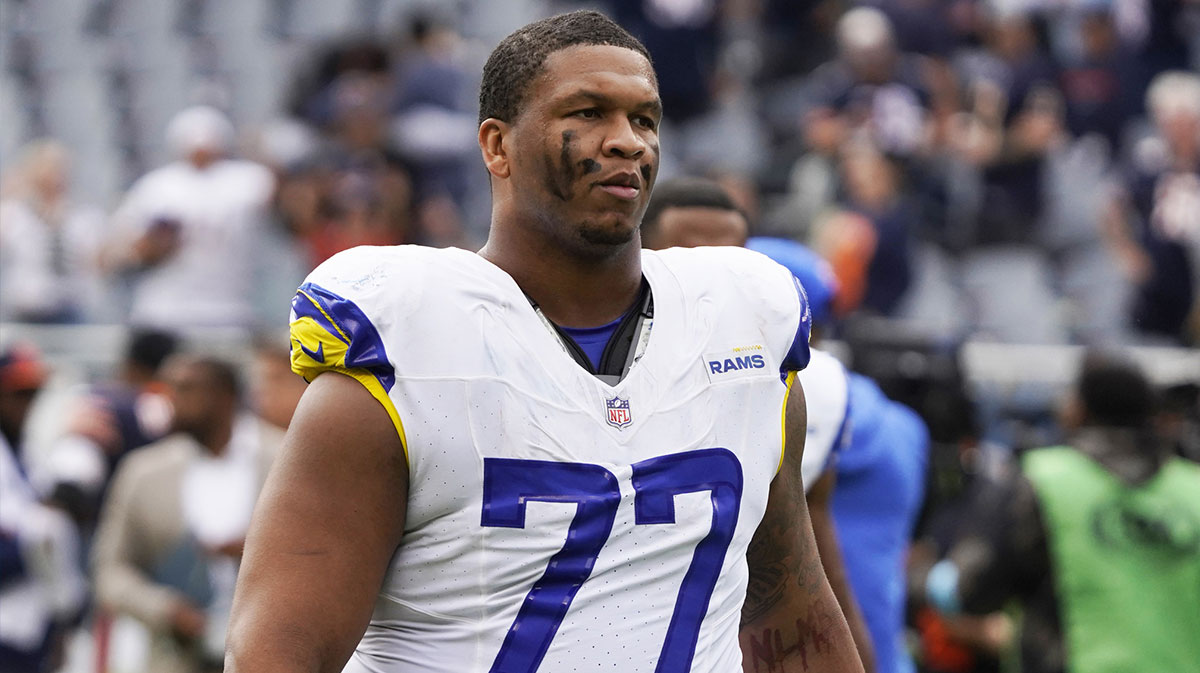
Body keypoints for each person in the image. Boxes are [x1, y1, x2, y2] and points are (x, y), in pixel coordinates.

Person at [226, 10, 863, 673]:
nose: (626, 141)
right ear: (497, 146)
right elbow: (274, 653)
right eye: (586, 113)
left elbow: (788, 606)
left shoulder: (741, 337)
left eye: (643, 119)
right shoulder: (403, 356)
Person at [640, 177, 876, 672]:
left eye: (730, 256)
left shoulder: (787, 387)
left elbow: (810, 575)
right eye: (688, 253)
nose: (713, 273)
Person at [921, 351, 1200, 673]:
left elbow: (973, 591)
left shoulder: (1044, 480)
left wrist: (933, 579)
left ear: (1079, 410)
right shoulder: (1193, 488)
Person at [92, 355, 282, 673]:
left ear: (226, 397)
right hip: (175, 655)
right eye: (169, 388)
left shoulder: (286, 456)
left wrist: (255, 549)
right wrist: (165, 609)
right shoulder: (143, 472)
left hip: (270, 651)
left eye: (186, 389)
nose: (171, 400)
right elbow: (109, 571)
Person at [104, 106, 275, 329]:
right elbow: (121, 249)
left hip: (228, 305)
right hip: (168, 306)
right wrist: (154, 245)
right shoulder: (158, 186)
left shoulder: (249, 180)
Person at [0, 345, 88, 673]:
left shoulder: (30, 455)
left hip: (32, 634)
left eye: (32, 394)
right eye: (17, 393)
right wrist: (43, 529)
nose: (26, 404)